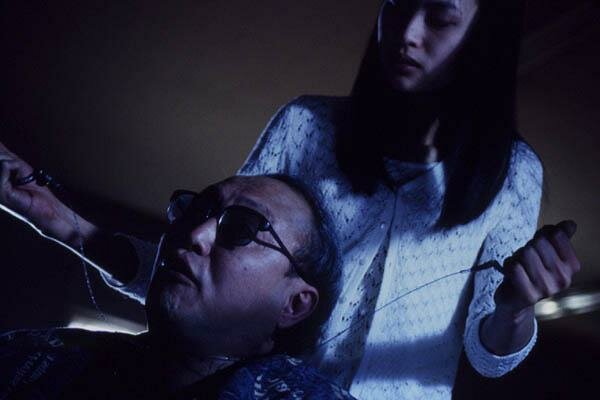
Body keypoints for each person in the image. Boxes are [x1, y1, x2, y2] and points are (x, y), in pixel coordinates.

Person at [0, 0, 583, 398]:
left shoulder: (514, 174)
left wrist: (514, 308)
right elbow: (214, 270)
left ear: (485, 37)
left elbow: (490, 355)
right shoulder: (306, 125)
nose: (407, 32)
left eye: (440, 16)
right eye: (397, 4)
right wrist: (65, 224)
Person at [0, 175, 356, 399]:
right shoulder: (30, 356)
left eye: (243, 228)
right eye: (196, 211)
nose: (195, 234)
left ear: (294, 305)